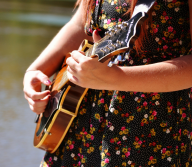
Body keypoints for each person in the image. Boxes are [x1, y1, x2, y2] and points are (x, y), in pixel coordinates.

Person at [23, 0, 192, 166]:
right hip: (80, 125)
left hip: (149, 132)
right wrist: (36, 70)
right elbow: (81, 25)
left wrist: (114, 78)